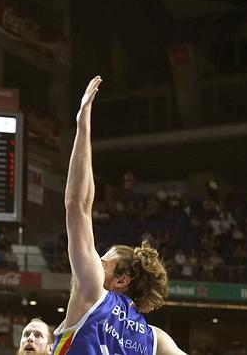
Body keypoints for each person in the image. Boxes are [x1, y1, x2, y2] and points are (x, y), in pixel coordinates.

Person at [52, 76, 186, 354]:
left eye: (102, 262)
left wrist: (82, 125)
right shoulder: (155, 339)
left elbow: (77, 204)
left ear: (121, 280)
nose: (93, 262)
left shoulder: (91, 292)